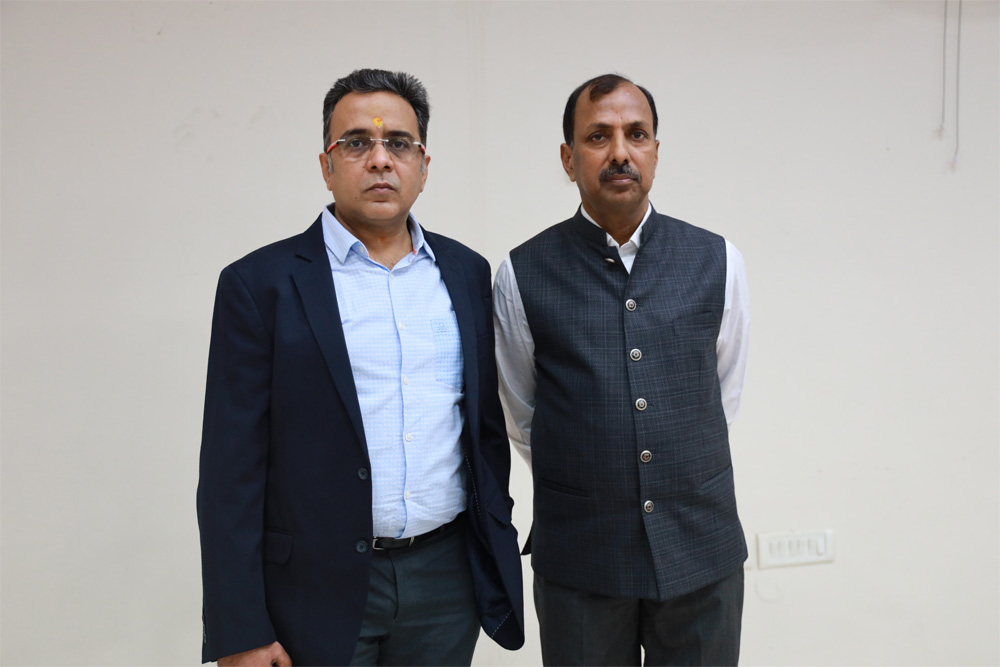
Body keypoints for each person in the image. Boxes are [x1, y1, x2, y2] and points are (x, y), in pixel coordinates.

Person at [198, 68, 523, 667]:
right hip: (313, 586)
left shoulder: (467, 273)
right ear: (326, 165)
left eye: (398, 143)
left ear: (423, 165)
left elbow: (482, 428)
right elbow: (229, 472)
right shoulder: (259, 285)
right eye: (356, 143)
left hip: (445, 580)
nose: (379, 159)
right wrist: (238, 628)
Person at [493, 73, 750, 666]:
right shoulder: (522, 272)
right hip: (580, 556)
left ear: (655, 150)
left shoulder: (717, 259)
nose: (620, 152)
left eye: (636, 134)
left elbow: (723, 394)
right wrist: (594, 471)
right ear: (568, 158)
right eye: (598, 136)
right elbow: (522, 412)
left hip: (701, 548)